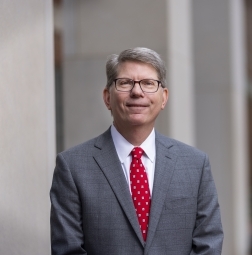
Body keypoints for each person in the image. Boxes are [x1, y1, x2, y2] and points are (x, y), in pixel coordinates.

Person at [50, 47, 223, 255]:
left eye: (149, 83)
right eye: (125, 83)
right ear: (107, 97)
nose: (137, 92)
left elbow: (209, 244)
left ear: (164, 98)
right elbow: (67, 250)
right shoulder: (72, 166)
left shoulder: (195, 165)